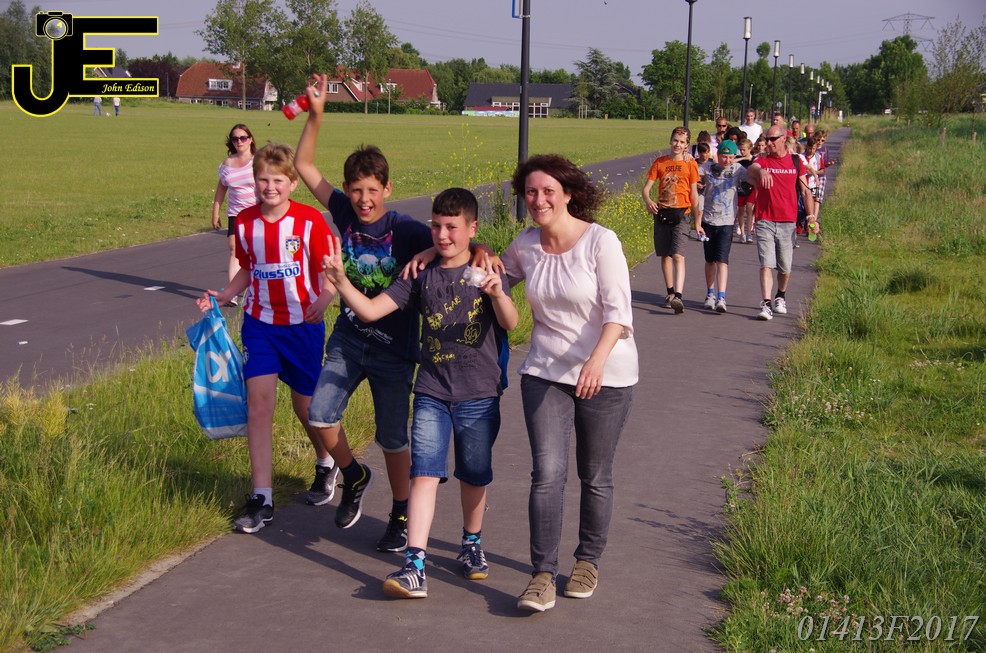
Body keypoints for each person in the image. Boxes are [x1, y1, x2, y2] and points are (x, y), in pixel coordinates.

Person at [324, 188, 518, 599]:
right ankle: (415, 564)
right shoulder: (419, 274)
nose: (442, 235)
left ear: (472, 228)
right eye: (436, 226)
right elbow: (372, 311)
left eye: (452, 228)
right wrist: (340, 282)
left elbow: (511, 323)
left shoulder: (485, 268)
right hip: (431, 390)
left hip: (479, 394)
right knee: (423, 473)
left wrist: (498, 294)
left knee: (474, 474)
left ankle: (471, 542)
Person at [295, 73, 434, 552]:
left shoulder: (407, 229)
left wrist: (468, 250)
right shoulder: (344, 214)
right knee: (319, 414)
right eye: (356, 190)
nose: (364, 199)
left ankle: (400, 513)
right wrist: (316, 115)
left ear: (387, 188)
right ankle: (353, 475)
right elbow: (304, 165)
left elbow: (451, 242)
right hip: (349, 339)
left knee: (393, 438)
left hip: (395, 350)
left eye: (372, 189)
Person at [502, 154, 637, 612]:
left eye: (548, 191)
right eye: (531, 192)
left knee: (594, 474)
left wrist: (596, 361)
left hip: (607, 374)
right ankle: (541, 575)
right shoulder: (526, 245)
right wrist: (444, 252)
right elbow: (491, 276)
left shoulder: (601, 241)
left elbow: (618, 314)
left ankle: (586, 561)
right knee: (547, 473)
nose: (538, 200)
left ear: (568, 195)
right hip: (546, 372)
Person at [194, 142, 339, 533]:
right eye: (262, 180)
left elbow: (330, 273)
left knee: (308, 408)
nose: (269, 187)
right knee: (258, 406)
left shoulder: (310, 221)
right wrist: (224, 295)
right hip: (259, 325)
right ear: (253, 181)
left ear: (293, 183)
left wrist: (325, 298)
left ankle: (326, 462)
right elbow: (247, 268)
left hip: (303, 325)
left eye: (277, 180)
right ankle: (263, 498)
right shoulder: (244, 222)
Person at [745, 126, 817, 321]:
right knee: (766, 264)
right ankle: (766, 304)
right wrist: (762, 171)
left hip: (788, 221)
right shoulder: (763, 159)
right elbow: (751, 168)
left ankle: (780, 295)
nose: (769, 143)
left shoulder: (795, 161)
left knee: (785, 267)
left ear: (784, 139)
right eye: (766, 139)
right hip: (765, 219)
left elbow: (805, 191)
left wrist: (811, 217)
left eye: (772, 139)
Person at [642, 126, 700, 313]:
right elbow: (646, 188)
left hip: (682, 213)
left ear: (687, 145)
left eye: (682, 142)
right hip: (663, 213)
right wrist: (648, 200)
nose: (677, 144)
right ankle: (670, 292)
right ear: (670, 140)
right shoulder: (660, 162)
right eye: (675, 140)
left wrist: (697, 219)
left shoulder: (690, 164)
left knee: (678, 255)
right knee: (665, 255)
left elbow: (694, 192)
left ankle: (679, 296)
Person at [695, 140, 747, 313]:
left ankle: (721, 297)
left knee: (722, 260)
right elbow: (692, 173)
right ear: (717, 155)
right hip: (709, 220)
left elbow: (752, 176)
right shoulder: (708, 168)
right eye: (724, 157)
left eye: (730, 157)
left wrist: (759, 166)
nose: (727, 160)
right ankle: (710, 294)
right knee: (710, 260)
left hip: (727, 221)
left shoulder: (737, 170)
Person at [211, 124, 257, 306]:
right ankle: (232, 294)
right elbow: (221, 189)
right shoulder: (227, 164)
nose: (239, 141)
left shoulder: (258, 162)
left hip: (256, 211)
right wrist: (215, 212)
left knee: (256, 250)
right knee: (234, 249)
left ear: (250, 139)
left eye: (243, 138)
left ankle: (259, 287)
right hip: (236, 213)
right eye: (235, 138)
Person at [735, 137, 757, 243]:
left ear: (750, 149)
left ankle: (749, 233)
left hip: (751, 187)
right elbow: (731, 162)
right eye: (741, 150)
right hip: (740, 187)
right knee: (740, 210)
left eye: (744, 150)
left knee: (749, 208)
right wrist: (742, 158)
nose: (742, 152)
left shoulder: (754, 159)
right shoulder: (739, 159)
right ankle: (742, 233)